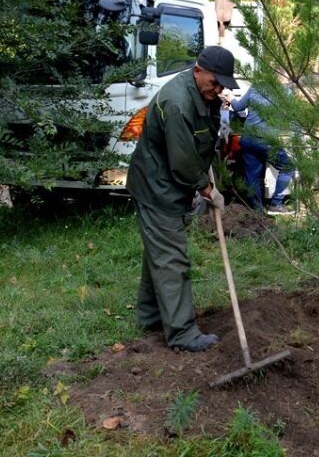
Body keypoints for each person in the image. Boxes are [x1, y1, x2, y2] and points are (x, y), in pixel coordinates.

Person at [125, 46, 239, 352]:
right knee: (172, 258)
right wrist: (208, 190)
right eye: (215, 82)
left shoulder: (202, 95)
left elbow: (201, 140)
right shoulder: (177, 103)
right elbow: (183, 162)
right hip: (157, 189)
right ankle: (182, 333)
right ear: (198, 71)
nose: (219, 90)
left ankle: (151, 316)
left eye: (223, 85)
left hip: (168, 185)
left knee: (159, 252)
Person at [228, 82, 294, 214]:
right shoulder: (285, 92)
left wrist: (230, 98)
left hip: (247, 139)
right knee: (288, 167)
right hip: (266, 140)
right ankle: (276, 204)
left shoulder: (255, 88)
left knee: (252, 176)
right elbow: (290, 116)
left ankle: (257, 210)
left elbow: (238, 107)